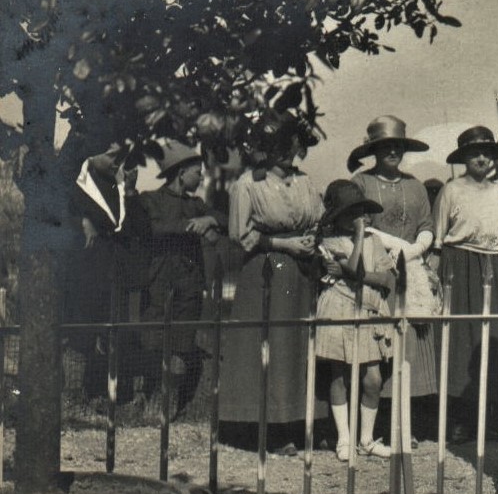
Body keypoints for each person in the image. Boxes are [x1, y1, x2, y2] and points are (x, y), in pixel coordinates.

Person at [219, 114, 325, 455]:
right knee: (270, 346)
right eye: (276, 146)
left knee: (299, 345)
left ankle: (300, 421)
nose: (285, 153)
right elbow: (240, 234)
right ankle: (268, 429)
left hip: (303, 270)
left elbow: (319, 218)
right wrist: (283, 245)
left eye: (290, 144)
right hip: (267, 269)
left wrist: (310, 241)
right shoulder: (248, 185)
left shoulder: (307, 182)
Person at [349, 116, 441, 440]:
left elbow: (427, 225)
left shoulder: (415, 186)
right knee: (379, 347)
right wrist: (380, 250)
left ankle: (405, 424)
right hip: (376, 268)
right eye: (385, 146)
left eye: (397, 146)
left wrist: (417, 247)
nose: (392, 151)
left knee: (408, 348)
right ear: (374, 150)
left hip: (410, 269)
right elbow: (358, 225)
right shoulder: (362, 182)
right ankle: (378, 424)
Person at [432, 126, 498, 444]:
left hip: (496, 267)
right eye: (474, 153)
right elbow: (439, 239)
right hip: (461, 264)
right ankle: (462, 420)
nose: (481, 158)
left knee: (496, 342)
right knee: (462, 343)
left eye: (486, 153)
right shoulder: (451, 190)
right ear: (465, 158)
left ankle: (493, 418)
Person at [139, 147, 225, 413]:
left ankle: (169, 400)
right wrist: (193, 227)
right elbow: (153, 229)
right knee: (153, 340)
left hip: (189, 281)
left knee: (182, 340)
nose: (201, 179)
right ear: (180, 173)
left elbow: (223, 220)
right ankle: (151, 394)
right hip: (158, 280)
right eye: (197, 173)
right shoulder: (150, 198)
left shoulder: (196, 204)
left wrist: (209, 219)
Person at [315, 180, 396, 460]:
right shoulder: (331, 241)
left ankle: (366, 439)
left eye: (359, 212)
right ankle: (344, 439)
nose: (356, 218)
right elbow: (350, 264)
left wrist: (357, 274)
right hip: (341, 307)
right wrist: (360, 237)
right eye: (349, 214)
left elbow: (385, 278)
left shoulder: (376, 242)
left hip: (369, 309)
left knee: (372, 379)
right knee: (340, 375)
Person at [67, 141, 151, 406]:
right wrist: (81, 222)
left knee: (115, 332)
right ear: (93, 154)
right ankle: (86, 393)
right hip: (87, 272)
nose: (118, 162)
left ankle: (114, 394)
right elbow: (62, 219)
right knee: (87, 333)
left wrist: (131, 191)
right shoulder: (75, 186)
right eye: (112, 156)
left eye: (121, 157)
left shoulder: (118, 188)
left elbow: (138, 228)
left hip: (115, 272)